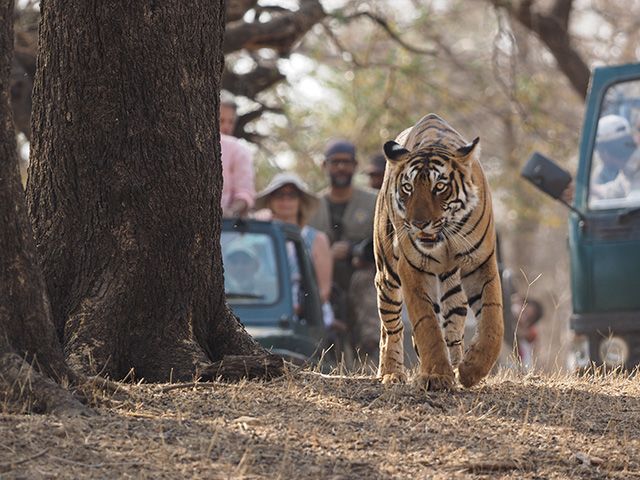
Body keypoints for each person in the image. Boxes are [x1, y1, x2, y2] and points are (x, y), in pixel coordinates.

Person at [308, 139, 378, 360]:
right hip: (322, 284)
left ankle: (371, 345)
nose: (340, 167)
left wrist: (360, 254)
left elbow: (390, 244)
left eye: (346, 162)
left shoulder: (374, 202)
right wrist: (326, 256)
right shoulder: (311, 206)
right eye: (335, 162)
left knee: (365, 279)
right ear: (324, 165)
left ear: (355, 165)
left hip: (364, 281)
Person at [254, 173, 338, 330]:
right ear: (270, 201)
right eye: (279, 195)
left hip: (307, 317)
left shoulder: (317, 239)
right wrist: (259, 228)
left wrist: (296, 309)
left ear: (301, 202)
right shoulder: (258, 237)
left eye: (292, 195)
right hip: (262, 313)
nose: (285, 200)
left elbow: (324, 291)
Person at [220, 91, 255, 217]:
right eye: (221, 120)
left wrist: (230, 211)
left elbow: (245, 194)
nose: (226, 127)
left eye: (231, 122)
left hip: (228, 228)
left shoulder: (238, 150)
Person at [589, 114, 637, 201]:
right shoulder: (627, 173)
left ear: (605, 153)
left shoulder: (632, 171)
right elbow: (612, 192)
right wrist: (590, 188)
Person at [511, 294, 544, 369]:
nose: (522, 317)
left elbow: (526, 368)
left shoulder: (523, 347)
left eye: (528, 318)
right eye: (524, 311)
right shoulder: (508, 306)